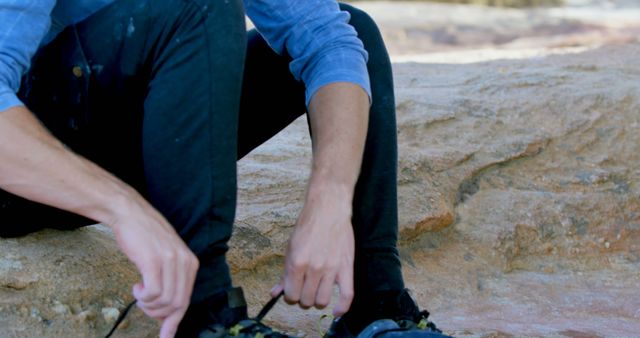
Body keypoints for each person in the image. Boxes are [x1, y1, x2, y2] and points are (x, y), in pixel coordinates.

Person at [0, 0, 446, 337]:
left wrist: (330, 198)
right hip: (27, 168)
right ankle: (205, 315)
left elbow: (328, 41)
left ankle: (376, 306)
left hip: (141, 135)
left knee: (356, 33)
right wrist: (124, 207)